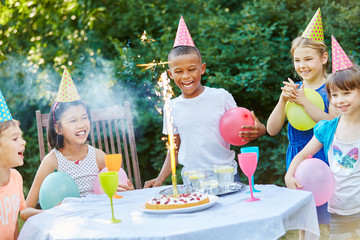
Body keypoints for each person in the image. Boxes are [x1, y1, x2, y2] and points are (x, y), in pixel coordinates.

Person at [144, 17, 266, 188]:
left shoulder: (221, 97)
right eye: (179, 71)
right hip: (193, 179)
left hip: (226, 175)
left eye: (191, 69)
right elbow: (174, 148)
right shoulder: (171, 107)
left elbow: (243, 127)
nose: (186, 76)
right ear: (171, 75)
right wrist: (160, 178)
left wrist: (260, 130)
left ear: (202, 68)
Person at [21, 68, 133, 221]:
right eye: (73, 120)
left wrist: (129, 191)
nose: (81, 125)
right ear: (58, 128)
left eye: (84, 117)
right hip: (69, 227)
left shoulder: (98, 156)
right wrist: (52, 212)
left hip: (101, 222)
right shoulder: (52, 161)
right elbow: (25, 211)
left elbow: (124, 192)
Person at [267, 9, 337, 227]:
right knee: (303, 220)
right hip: (297, 156)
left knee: (328, 218)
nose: (302, 65)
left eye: (308, 59)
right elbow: (272, 129)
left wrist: (303, 101)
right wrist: (282, 101)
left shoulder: (333, 89)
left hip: (324, 156)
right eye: (297, 60)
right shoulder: (293, 90)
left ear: (323, 58)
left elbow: (332, 125)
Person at [285, 58, 360, 239]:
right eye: (334, 95)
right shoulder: (327, 128)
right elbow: (303, 155)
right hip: (339, 209)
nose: (340, 100)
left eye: (347, 93)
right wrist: (289, 175)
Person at [0, 90, 26, 240]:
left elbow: (15, 222)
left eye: (21, 137)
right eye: (15, 139)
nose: (23, 142)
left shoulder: (16, 178)